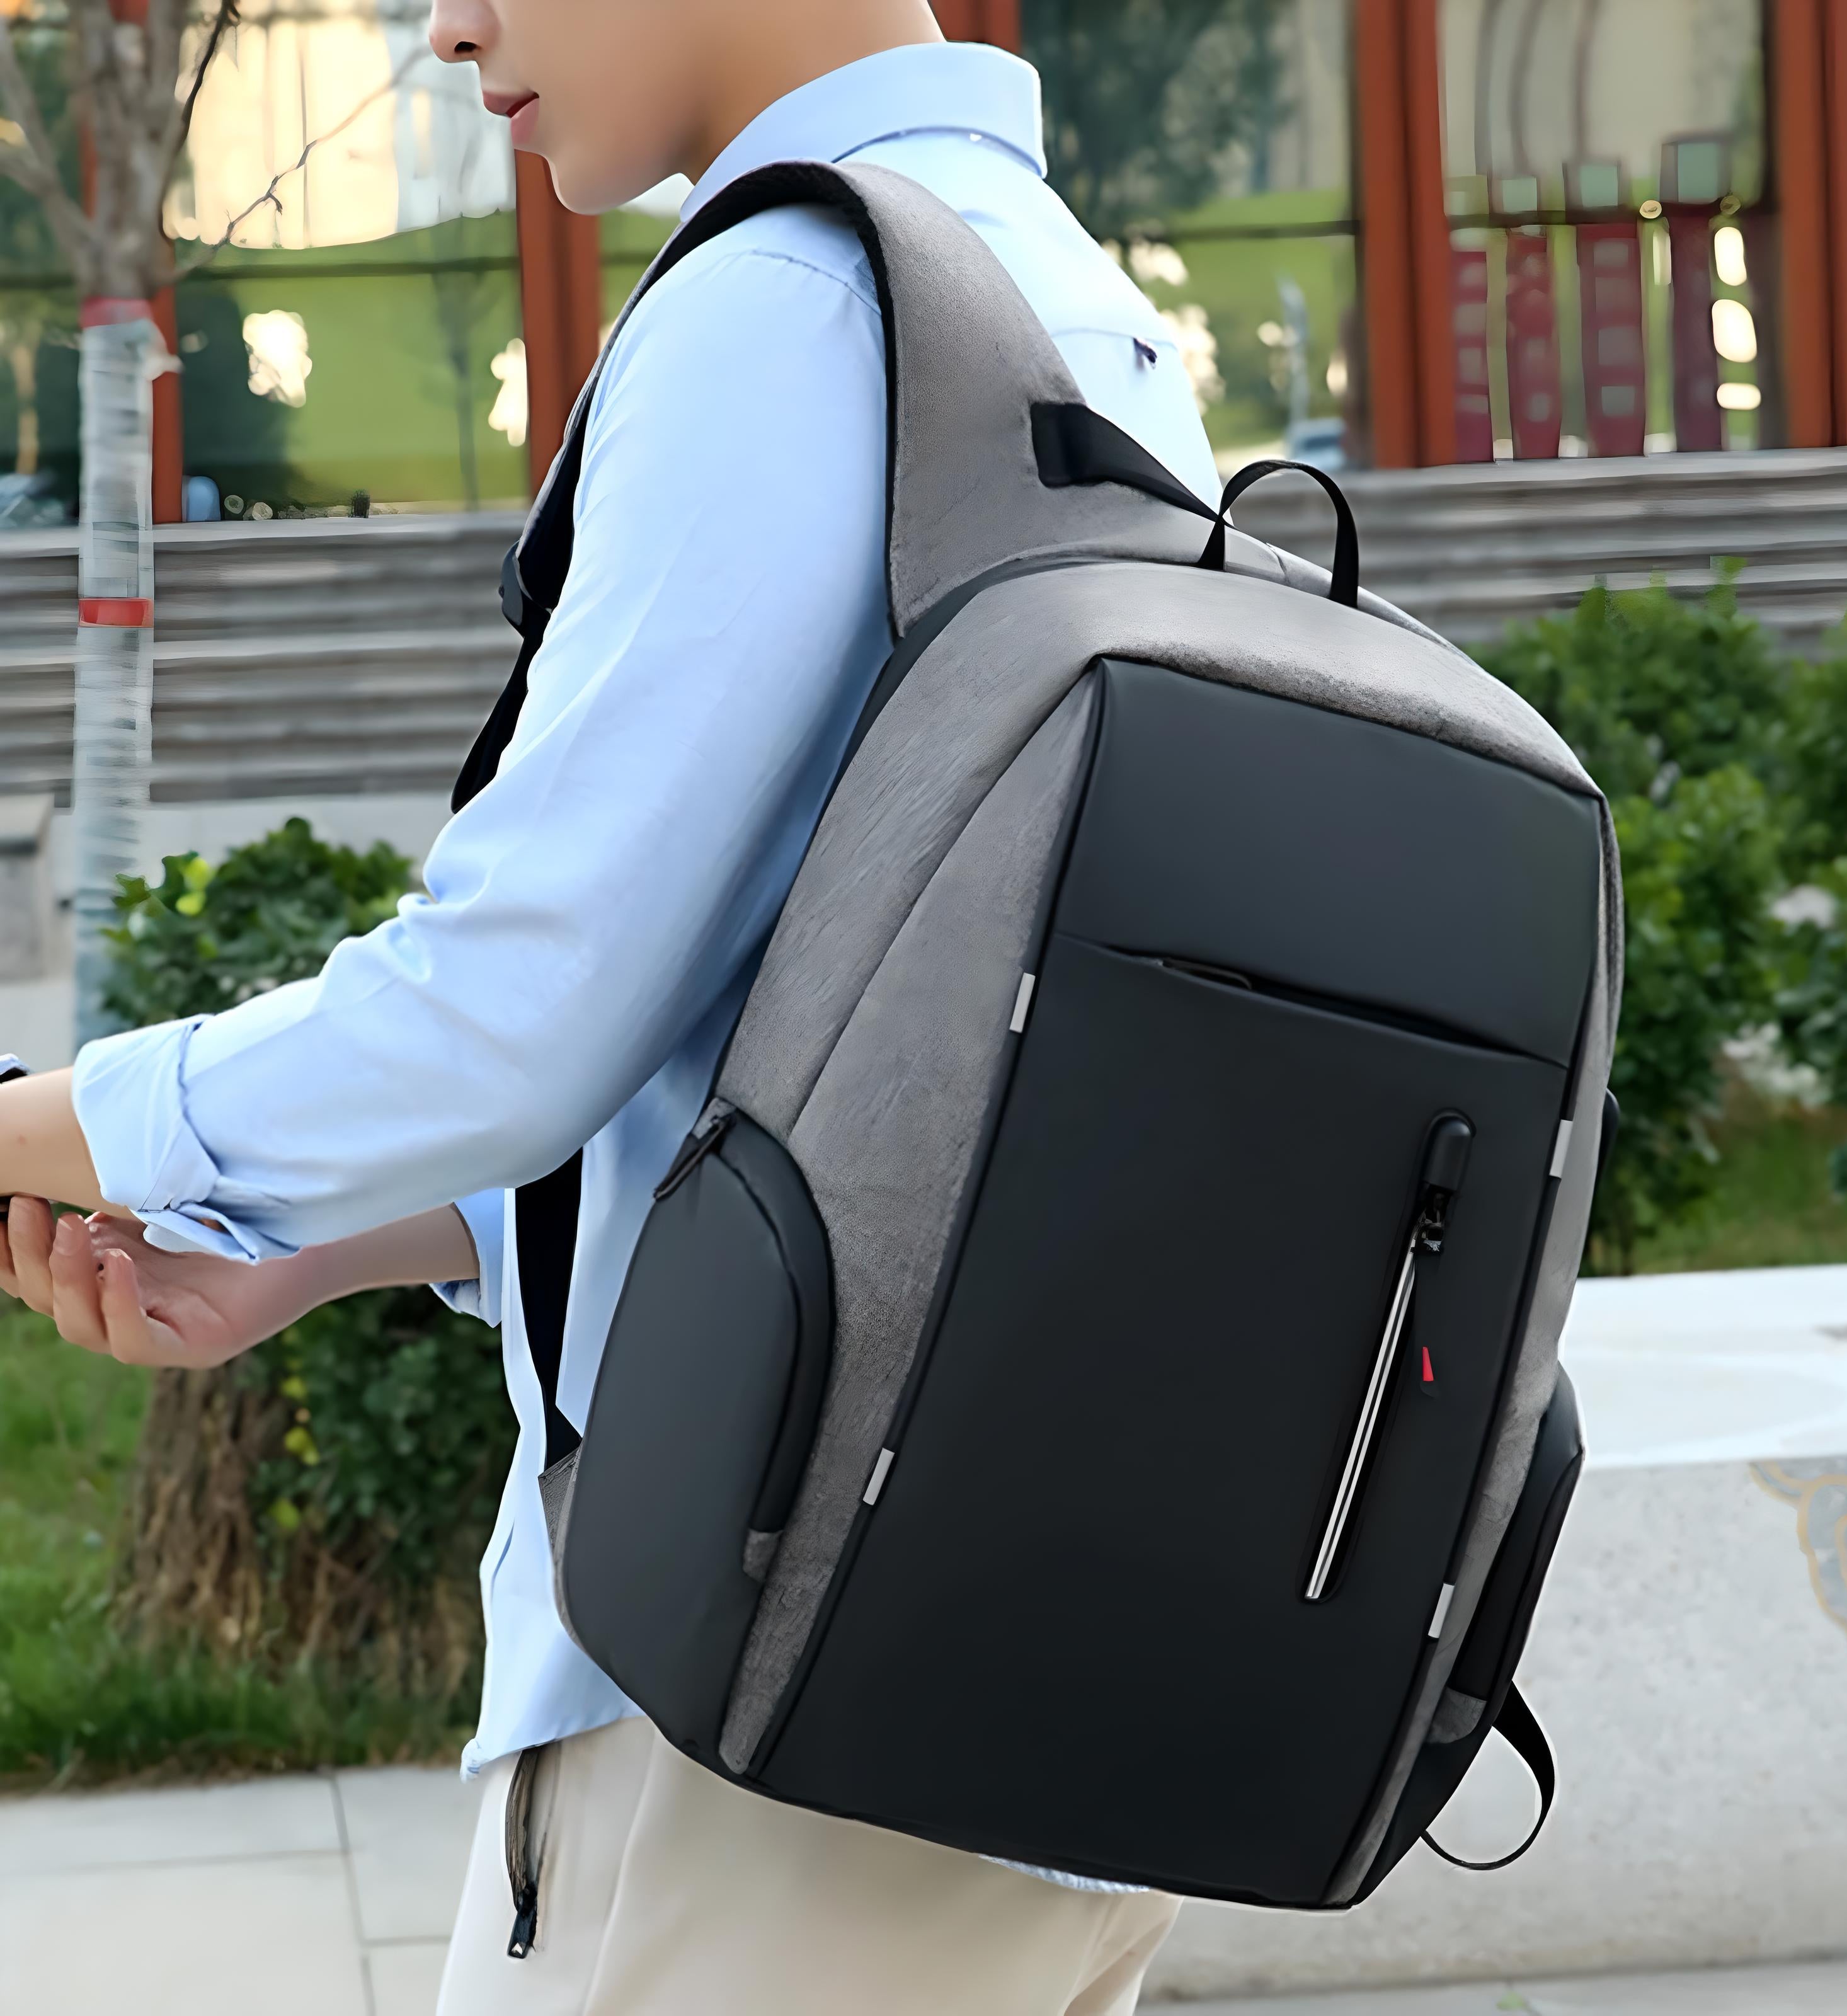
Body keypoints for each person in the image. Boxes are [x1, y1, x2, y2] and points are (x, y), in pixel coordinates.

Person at [0, 3, 1220, 2010]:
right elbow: (851, 1045)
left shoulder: (802, 302)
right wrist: (324, 1247)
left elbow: (516, 1002)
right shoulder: (1049, 290)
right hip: (1007, 1688)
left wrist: (46, 1122)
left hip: (762, 1702)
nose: (450, 22)